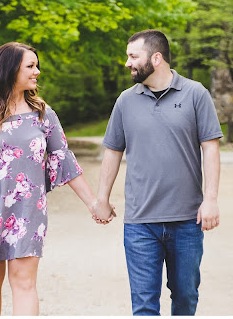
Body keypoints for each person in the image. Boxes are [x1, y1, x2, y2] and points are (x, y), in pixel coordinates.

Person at [0, 42, 104, 315]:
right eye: (30, 66)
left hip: (27, 212)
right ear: (10, 70)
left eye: (36, 65)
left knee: (24, 282)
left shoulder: (42, 112)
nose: (37, 72)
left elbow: (64, 158)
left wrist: (93, 203)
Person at [92, 29, 223, 316]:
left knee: (186, 297)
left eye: (133, 56)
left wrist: (210, 199)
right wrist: (101, 198)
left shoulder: (195, 93)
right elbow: (113, 151)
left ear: (156, 58)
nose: (127, 63)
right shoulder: (125, 101)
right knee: (143, 305)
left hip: (187, 221)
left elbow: (210, 148)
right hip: (140, 223)